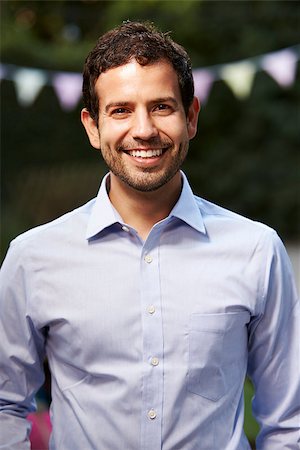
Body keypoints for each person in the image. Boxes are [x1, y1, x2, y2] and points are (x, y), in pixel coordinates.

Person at [0, 21, 299, 450]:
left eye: (161, 106)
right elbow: (4, 404)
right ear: (92, 126)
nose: (143, 130)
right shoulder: (33, 258)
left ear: (191, 116)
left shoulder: (256, 250)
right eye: (121, 110)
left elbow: (290, 422)